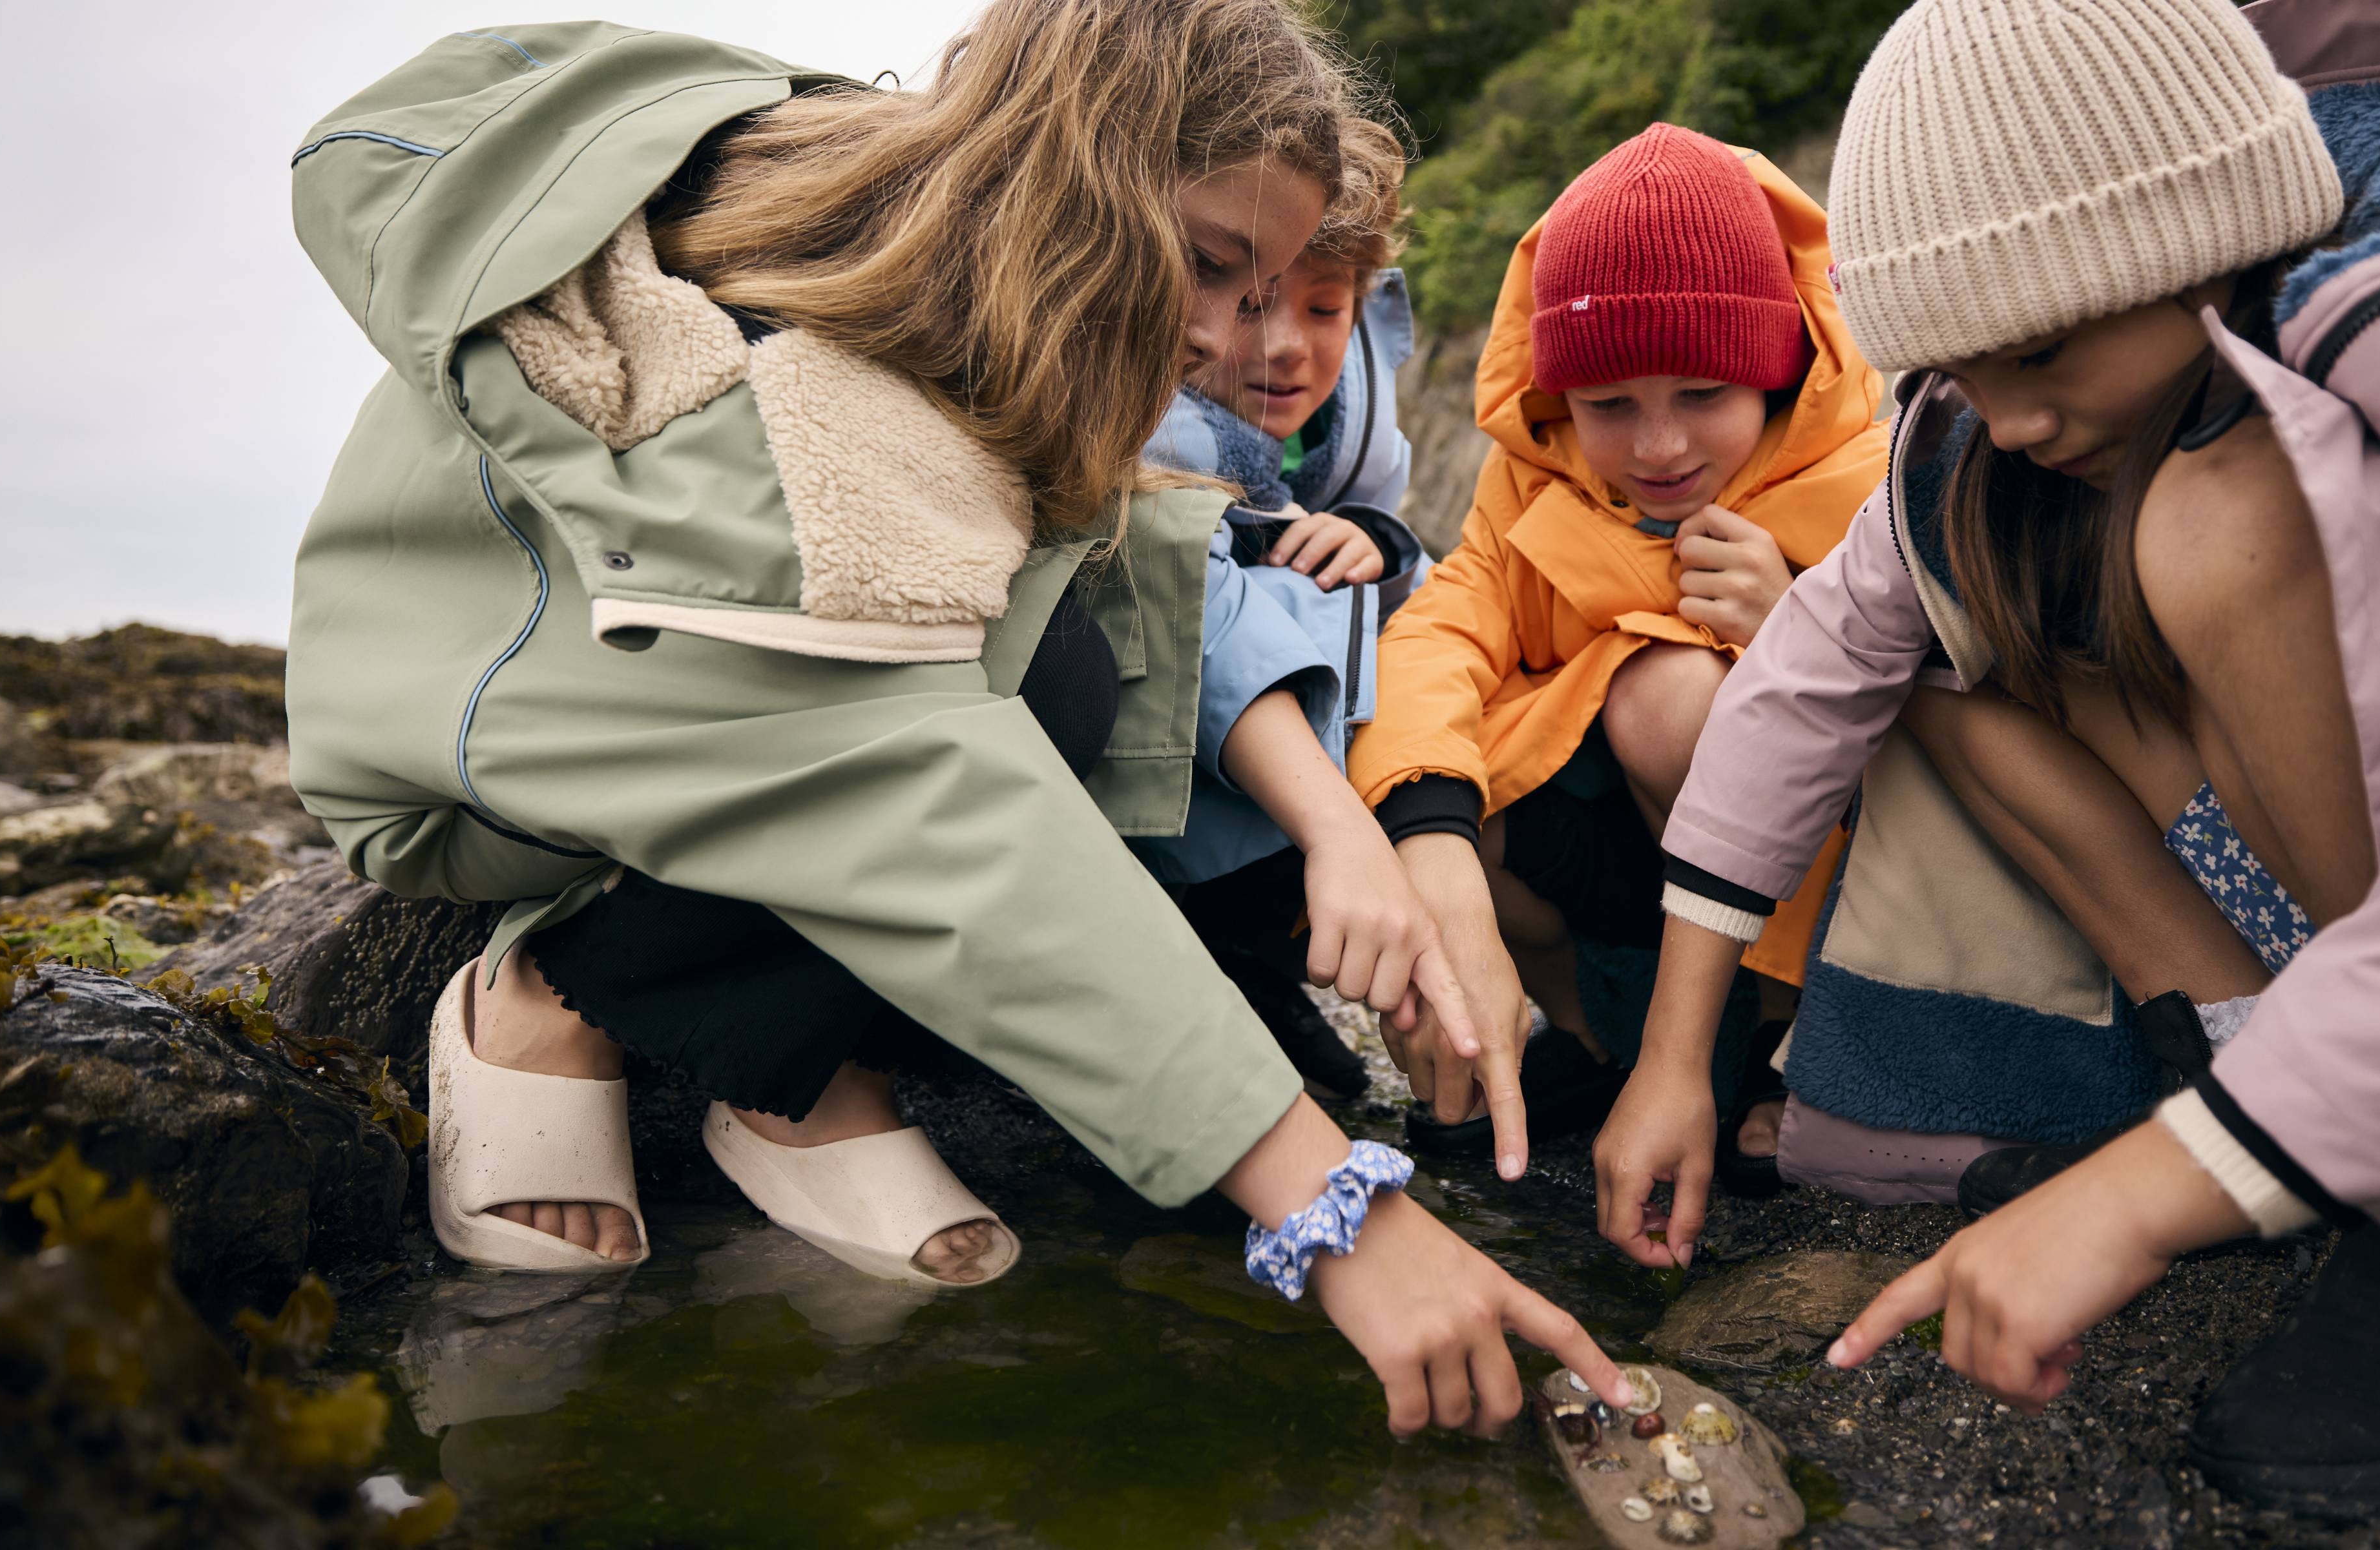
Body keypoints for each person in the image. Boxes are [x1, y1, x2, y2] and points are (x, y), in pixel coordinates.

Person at [286, 0, 1629, 1437]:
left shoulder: (922, 243)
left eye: (1262, 287)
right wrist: (1340, 1212)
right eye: (1208, 263)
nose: (1216, 333)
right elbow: (944, 808)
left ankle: (792, 1065)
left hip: (757, 688)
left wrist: (1378, 837)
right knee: (1032, 695)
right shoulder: (783, 423)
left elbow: (1146, 564)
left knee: (1076, 650)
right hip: (485, 735)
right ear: (1076, 172)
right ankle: (561, 996)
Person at [1647, 0, 2380, 1516]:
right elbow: (1814, 663)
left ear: (2201, 240)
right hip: (2357, 932)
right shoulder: (1998, 432)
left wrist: (2138, 1201)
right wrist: (1673, 1055)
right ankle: (2281, 1073)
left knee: (2221, 517)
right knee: (1948, 666)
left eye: (2042, 353)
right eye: (1960, 377)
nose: (2009, 422)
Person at [1349, 123, 1890, 1181]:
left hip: (1821, 893)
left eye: (1701, 395)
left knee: (1673, 697)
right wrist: (1428, 836)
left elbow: (1949, 713)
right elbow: (1440, 631)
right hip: (1626, 869)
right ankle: (1605, 1044)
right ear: (1561, 398)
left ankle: (1792, 1048)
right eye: (1609, 406)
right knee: (1438, 786)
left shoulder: (1865, 478)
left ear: (1776, 374)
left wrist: (1794, 628)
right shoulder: (1533, 480)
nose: (1659, 449)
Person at [1136, 116, 1439, 1097]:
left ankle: (1259, 957)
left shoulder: (1355, 416)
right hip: (1172, 771)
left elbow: (1403, 577)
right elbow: (1201, 607)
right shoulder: (1164, 419)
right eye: (1254, 302)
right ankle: (1208, 962)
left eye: (1323, 309)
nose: (1287, 348)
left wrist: (1381, 544)